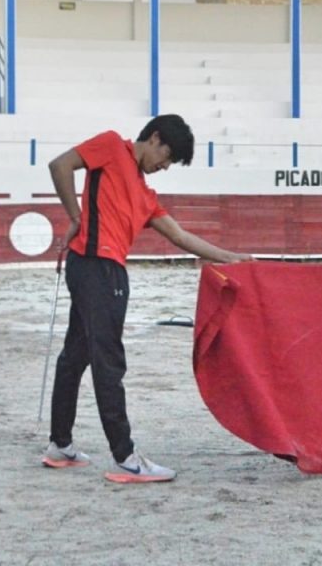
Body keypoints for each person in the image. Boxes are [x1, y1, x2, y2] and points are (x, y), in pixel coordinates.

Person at [42, 114, 252, 483]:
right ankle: (125, 457)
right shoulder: (110, 145)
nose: (165, 167)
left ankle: (60, 445)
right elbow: (60, 165)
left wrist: (234, 259)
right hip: (98, 267)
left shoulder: (145, 194)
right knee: (108, 361)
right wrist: (74, 217)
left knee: (75, 356)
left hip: (95, 268)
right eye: (167, 157)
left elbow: (182, 237)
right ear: (154, 138)